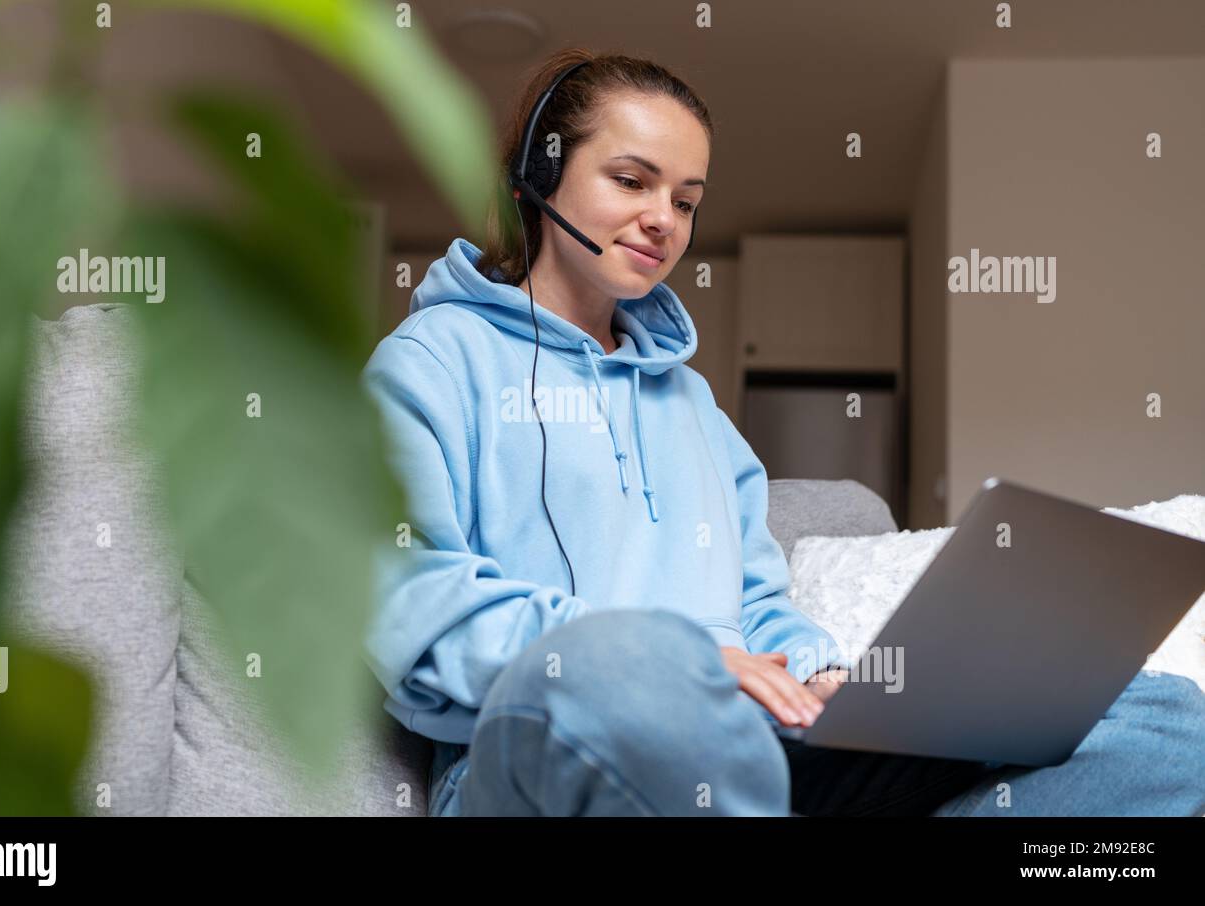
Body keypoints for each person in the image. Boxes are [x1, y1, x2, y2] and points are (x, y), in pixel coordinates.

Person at [359, 48, 1205, 817]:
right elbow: (409, 602)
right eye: (632, 180)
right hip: (559, 744)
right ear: (538, 179)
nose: (664, 219)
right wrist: (674, 664)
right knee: (616, 682)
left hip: (764, 750)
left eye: (686, 200)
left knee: (1164, 718)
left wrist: (829, 681)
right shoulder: (432, 361)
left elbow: (760, 609)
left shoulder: (698, 414)